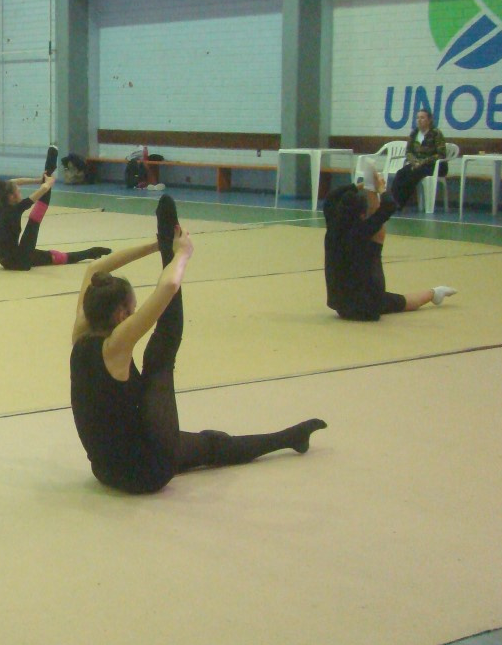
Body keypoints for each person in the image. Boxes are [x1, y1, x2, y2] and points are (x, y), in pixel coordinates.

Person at [69, 195, 327, 494]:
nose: (136, 312)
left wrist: (156, 245)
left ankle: (290, 438)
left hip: (105, 468)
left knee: (210, 444)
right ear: (120, 315)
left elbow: (95, 268)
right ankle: (285, 439)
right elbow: (168, 285)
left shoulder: (81, 330)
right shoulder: (114, 346)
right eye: (133, 308)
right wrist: (181, 254)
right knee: (160, 357)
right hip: (144, 473)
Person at [323, 162, 456, 321]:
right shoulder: (361, 230)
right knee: (377, 241)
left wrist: (360, 186)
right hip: (367, 305)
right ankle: (434, 292)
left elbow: (331, 197)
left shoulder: (332, 226)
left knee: (396, 298)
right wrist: (380, 189)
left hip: (340, 303)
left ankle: (434, 293)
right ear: (362, 215)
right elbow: (389, 206)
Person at [0, 146, 110, 271]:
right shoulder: (14, 210)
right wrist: (47, 182)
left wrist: (39, 180)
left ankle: (91, 252)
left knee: (57, 257)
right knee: (35, 220)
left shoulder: (0, 203)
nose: (20, 193)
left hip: (13, 256)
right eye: (18, 192)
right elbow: (41, 192)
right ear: (11, 197)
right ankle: (49, 168)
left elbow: (15, 182)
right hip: (19, 261)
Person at [390, 109, 448, 210]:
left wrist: (422, 162)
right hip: (416, 164)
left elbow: (441, 154)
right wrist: (414, 162)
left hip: (434, 165)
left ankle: (401, 202)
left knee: (414, 174)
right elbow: (408, 152)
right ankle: (393, 201)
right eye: (417, 118)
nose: (419, 120)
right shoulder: (414, 133)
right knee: (400, 173)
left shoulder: (436, 133)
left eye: (422, 118)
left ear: (429, 120)